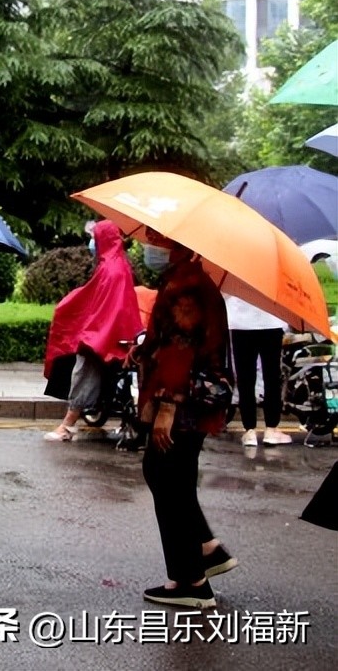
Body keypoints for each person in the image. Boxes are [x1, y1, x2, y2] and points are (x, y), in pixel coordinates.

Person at [135, 238, 237, 608]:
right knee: (168, 476)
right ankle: (205, 550)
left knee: (167, 477)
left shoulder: (186, 285)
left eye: (153, 238)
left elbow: (181, 349)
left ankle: (190, 581)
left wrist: (166, 407)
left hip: (184, 403)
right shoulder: (186, 278)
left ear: (173, 243)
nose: (148, 245)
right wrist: (144, 350)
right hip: (190, 400)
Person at [42, 220, 144, 441]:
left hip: (106, 334)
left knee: (84, 366)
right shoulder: (118, 264)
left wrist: (90, 334)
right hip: (117, 331)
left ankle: (68, 425)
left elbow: (105, 308)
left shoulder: (110, 269)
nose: (92, 243)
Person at [224, 293, 290, 447]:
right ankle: (271, 428)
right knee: (271, 377)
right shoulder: (275, 269)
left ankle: (249, 431)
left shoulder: (239, 268)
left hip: (240, 322)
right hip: (271, 320)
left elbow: (225, 291)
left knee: (245, 378)